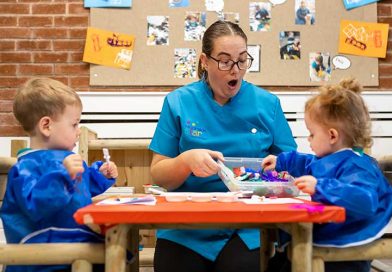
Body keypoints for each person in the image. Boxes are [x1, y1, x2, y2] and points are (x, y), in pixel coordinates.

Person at [149, 20, 297, 272]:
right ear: (205, 61)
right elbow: (160, 174)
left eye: (242, 60)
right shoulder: (178, 102)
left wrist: (274, 173)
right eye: (225, 61)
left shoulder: (267, 103)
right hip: (186, 224)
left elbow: (292, 166)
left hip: (248, 225)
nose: (236, 70)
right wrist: (185, 161)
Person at [262, 78, 392, 272]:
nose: (308, 139)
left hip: (345, 250)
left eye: (312, 134)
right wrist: (281, 162)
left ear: (332, 136)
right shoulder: (331, 157)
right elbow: (310, 164)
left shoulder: (359, 166)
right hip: (334, 232)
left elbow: (365, 200)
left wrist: (320, 187)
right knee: (277, 263)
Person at [0, 78, 118, 272]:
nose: (78, 132)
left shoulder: (67, 158)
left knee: (117, 248)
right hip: (40, 252)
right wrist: (63, 175)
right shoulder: (25, 168)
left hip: (71, 242)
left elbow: (82, 186)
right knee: (113, 251)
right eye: (74, 124)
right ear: (46, 126)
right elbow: (36, 205)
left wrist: (100, 174)